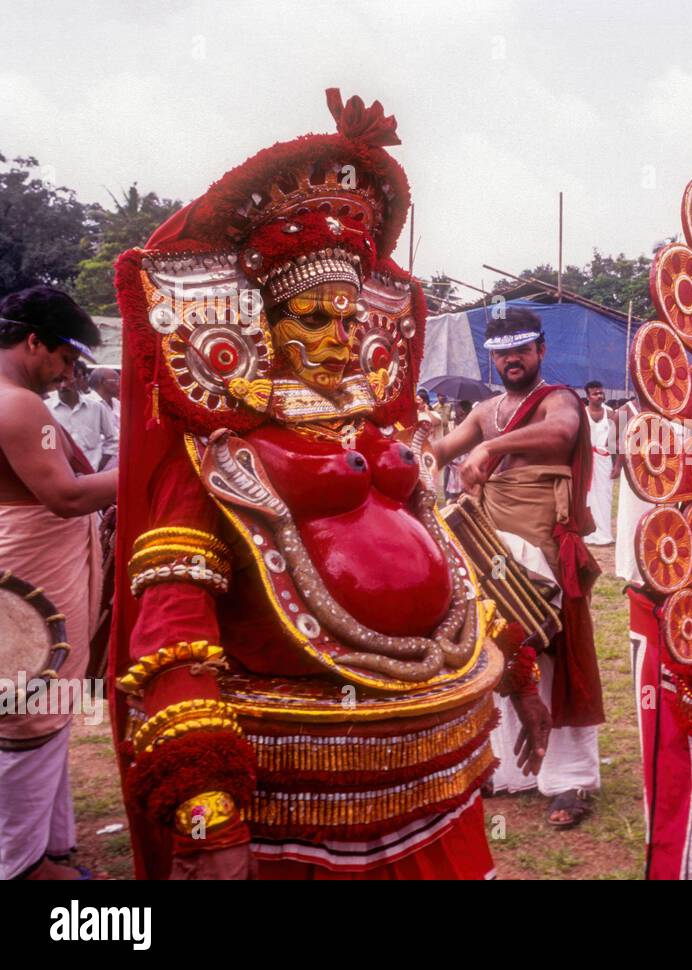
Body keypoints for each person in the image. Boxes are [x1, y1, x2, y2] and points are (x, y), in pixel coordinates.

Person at [109, 89, 540, 879]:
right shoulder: (220, 450)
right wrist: (207, 805)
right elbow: (171, 620)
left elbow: (440, 551)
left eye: (348, 320)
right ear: (260, 328)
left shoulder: (382, 437)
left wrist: (516, 662)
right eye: (311, 318)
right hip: (295, 795)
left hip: (437, 769)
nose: (339, 339)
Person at [432, 307, 604, 828]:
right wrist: (410, 442)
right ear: (493, 357)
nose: (511, 360)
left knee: (552, 649)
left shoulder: (559, 399)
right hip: (493, 543)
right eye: (502, 353)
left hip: (546, 543)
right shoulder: (484, 409)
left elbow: (559, 436)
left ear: (540, 352)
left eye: (521, 351)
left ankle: (569, 779)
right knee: (500, 644)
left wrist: (491, 446)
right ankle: (511, 768)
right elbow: (441, 449)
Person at [0, 285, 118, 880]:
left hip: (22, 574)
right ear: (33, 342)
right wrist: (154, 466)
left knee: (37, 703)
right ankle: (22, 868)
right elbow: (66, 494)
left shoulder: (23, 404)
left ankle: (48, 847)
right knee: (32, 706)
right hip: (30, 577)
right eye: (66, 360)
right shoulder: (18, 404)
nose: (68, 375)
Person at [47, 360, 118, 471]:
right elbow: (47, 447)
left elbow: (113, 440)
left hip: (92, 476)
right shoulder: (46, 410)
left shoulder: (96, 408)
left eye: (67, 379)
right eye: (58, 380)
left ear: (81, 379)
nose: (63, 385)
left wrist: (98, 468)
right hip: (62, 475)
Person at [612, 394, 652, 583]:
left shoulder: (666, 409)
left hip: (659, 478)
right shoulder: (624, 411)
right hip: (634, 476)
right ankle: (632, 566)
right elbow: (612, 444)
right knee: (632, 521)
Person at [583, 381, 615, 546]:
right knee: (586, 496)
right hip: (586, 459)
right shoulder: (582, 413)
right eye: (595, 393)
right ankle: (588, 534)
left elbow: (617, 440)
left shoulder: (611, 413)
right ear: (588, 396)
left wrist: (617, 466)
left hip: (604, 459)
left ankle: (604, 534)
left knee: (605, 496)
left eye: (601, 393)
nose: (600, 396)